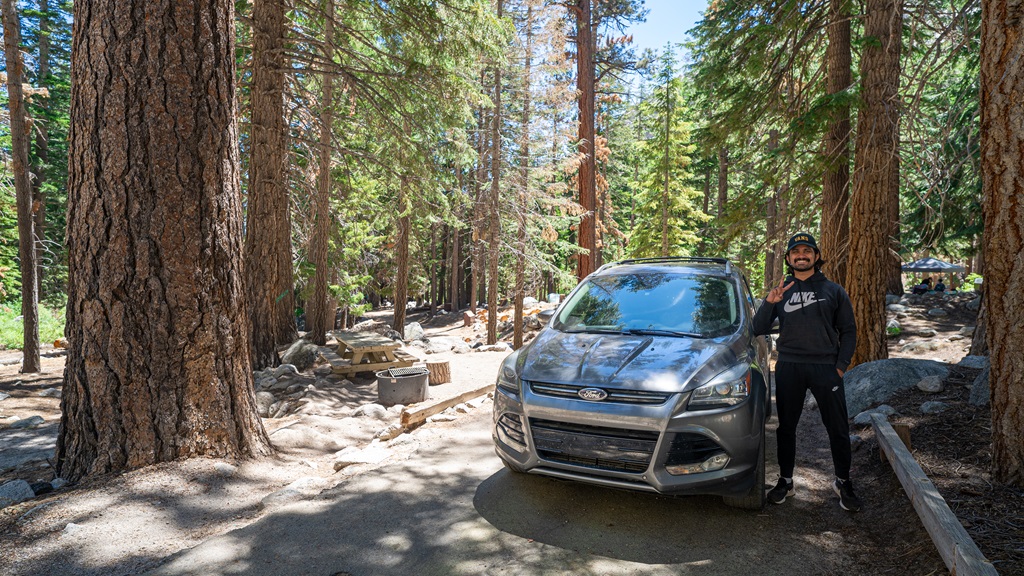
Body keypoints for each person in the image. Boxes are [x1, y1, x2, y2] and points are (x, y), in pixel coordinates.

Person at [753, 232, 862, 512]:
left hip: (826, 368)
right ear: (789, 259)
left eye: (807, 251)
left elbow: (848, 331)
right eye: (796, 252)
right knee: (786, 427)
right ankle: (785, 481)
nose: (801, 255)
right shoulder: (782, 291)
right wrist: (770, 302)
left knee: (837, 428)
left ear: (815, 256)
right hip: (789, 366)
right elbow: (758, 328)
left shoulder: (834, 291)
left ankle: (843, 481)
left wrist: (840, 367)